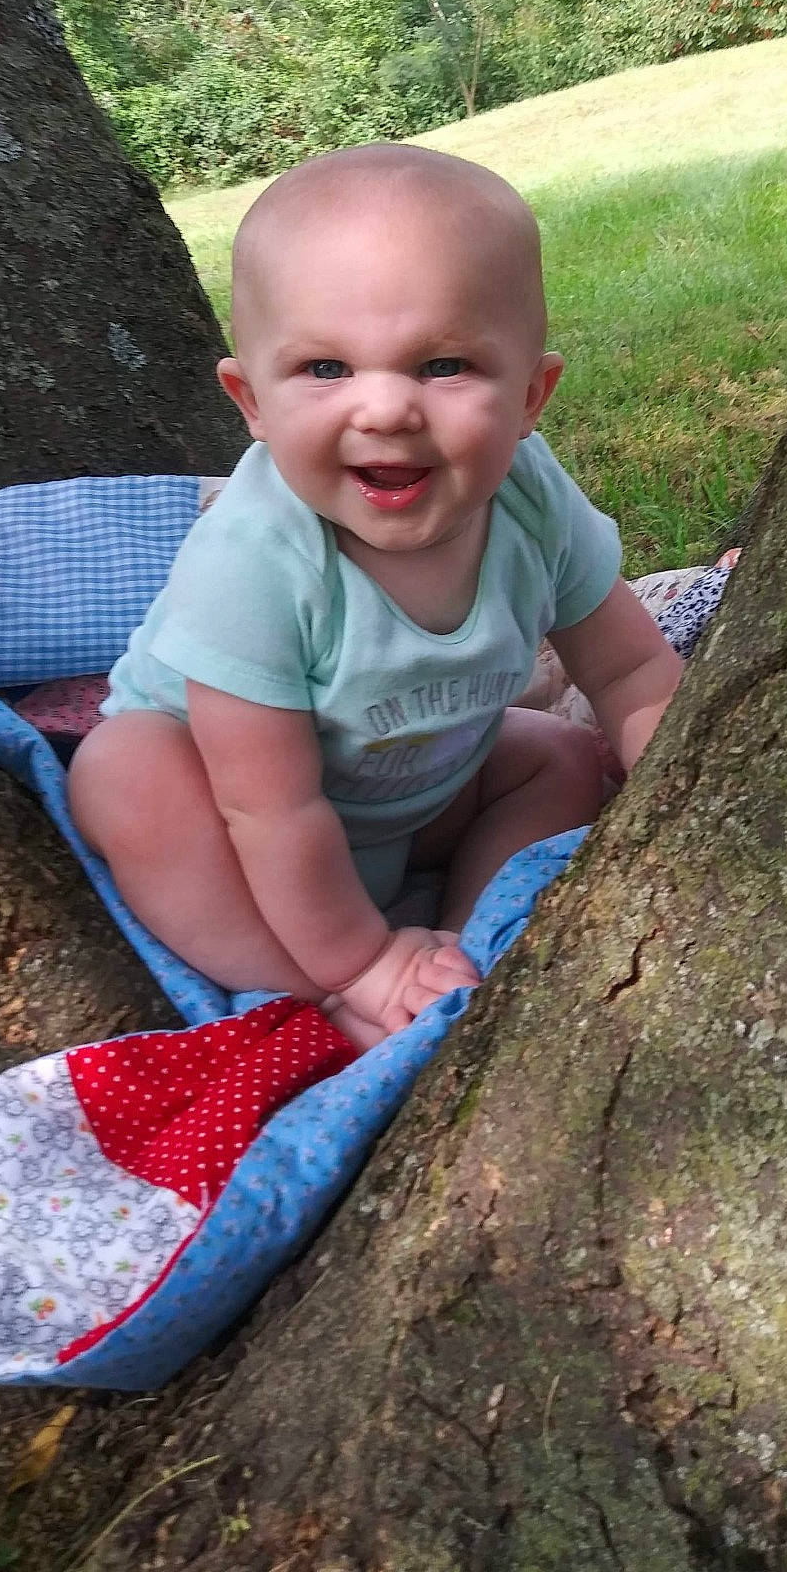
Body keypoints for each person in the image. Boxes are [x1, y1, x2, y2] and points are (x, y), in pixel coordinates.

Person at [68, 143, 681, 1049]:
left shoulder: (530, 498)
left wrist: (685, 783)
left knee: (557, 753)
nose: (386, 409)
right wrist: (357, 959)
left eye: (443, 366)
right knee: (125, 774)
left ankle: (468, 945)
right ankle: (325, 996)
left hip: (419, 796)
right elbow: (270, 810)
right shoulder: (256, 562)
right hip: (242, 833)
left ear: (531, 395)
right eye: (325, 369)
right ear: (252, 402)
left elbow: (629, 668)